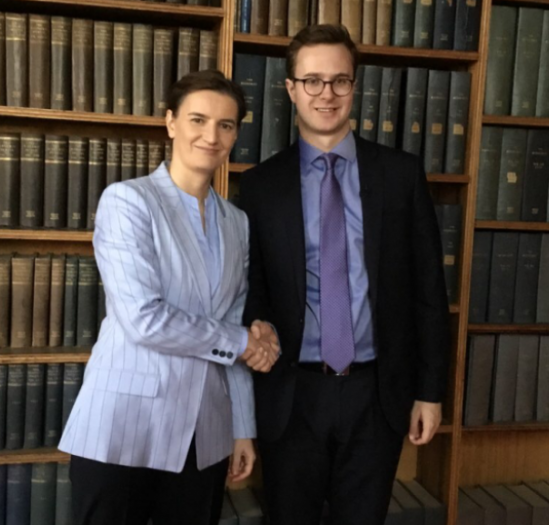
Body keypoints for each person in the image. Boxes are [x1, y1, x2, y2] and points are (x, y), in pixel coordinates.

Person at [237, 24, 451, 525]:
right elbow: (251, 290)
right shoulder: (261, 186)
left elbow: (428, 291)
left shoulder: (400, 174)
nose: (326, 94)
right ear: (291, 89)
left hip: (377, 393)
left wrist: (430, 391)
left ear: (355, 86)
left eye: (339, 80)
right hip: (292, 394)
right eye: (312, 80)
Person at [58, 70, 280, 525]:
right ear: (171, 122)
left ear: (235, 135)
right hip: (123, 425)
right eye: (198, 120)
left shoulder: (237, 222)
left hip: (204, 432)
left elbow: (234, 318)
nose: (211, 136)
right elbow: (144, 318)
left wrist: (242, 428)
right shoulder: (128, 201)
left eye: (225, 125)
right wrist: (244, 342)